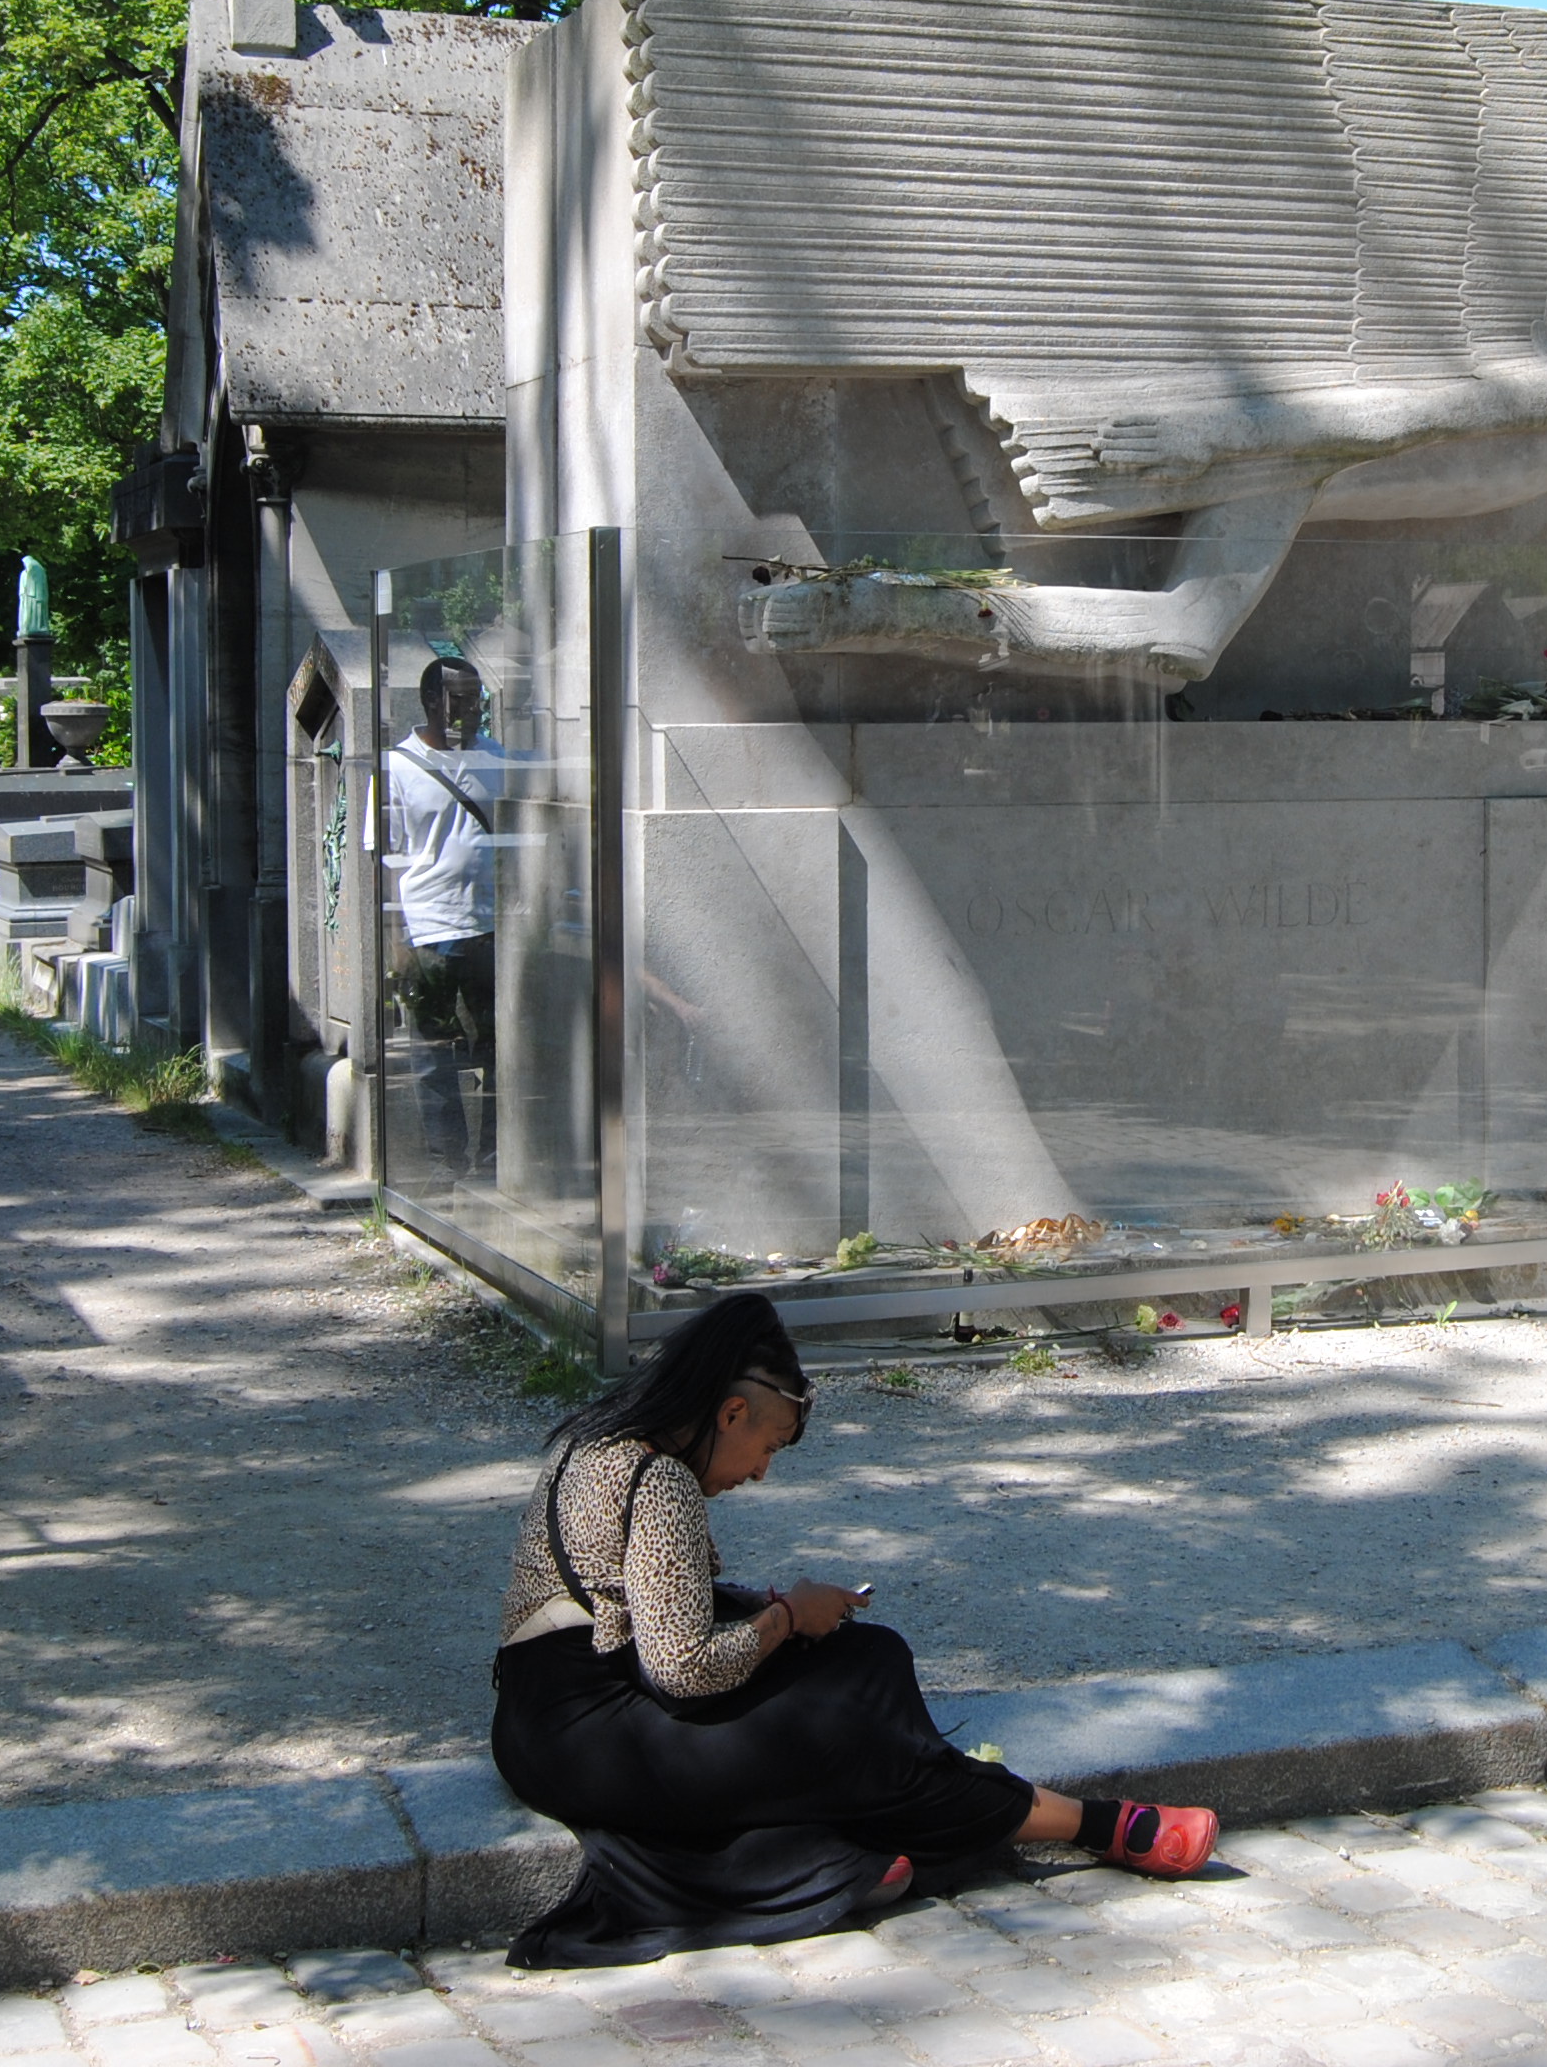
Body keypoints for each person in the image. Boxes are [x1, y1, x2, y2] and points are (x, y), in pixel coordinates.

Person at [491, 1294, 1217, 1967]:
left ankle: (838, 1860)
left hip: (537, 1722)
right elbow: (683, 1670)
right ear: (732, 1413)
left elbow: (642, 1607)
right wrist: (786, 1617)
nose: (761, 1472)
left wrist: (776, 1613)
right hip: (592, 1738)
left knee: (867, 1660)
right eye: (770, 1447)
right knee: (853, 1726)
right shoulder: (661, 1481)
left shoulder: (594, 1443)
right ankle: (1095, 1825)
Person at [383, 657, 501, 1177]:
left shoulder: (493, 755)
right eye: (461, 699)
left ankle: (494, 1156)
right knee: (434, 1050)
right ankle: (445, 1161)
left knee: (497, 1045)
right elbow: (383, 858)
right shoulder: (396, 766)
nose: (472, 709)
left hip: (490, 925)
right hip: (428, 927)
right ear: (432, 700)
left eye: (477, 699)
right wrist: (396, 939)